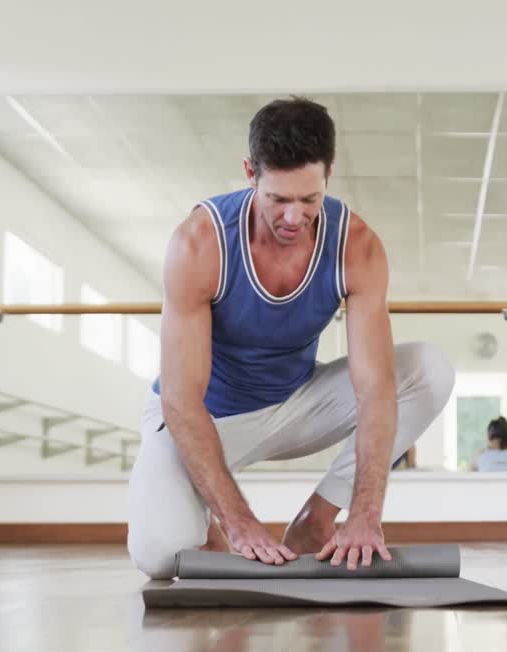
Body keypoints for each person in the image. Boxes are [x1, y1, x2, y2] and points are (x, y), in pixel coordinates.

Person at [127, 97, 454, 578]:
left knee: (429, 369)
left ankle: (314, 521)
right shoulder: (200, 242)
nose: (294, 218)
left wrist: (364, 515)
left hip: (296, 405)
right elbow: (179, 398)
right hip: (203, 420)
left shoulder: (356, 246)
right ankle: (210, 533)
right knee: (160, 554)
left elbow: (376, 385)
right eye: (278, 200)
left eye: (309, 199)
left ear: (329, 176)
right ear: (249, 173)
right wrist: (238, 523)